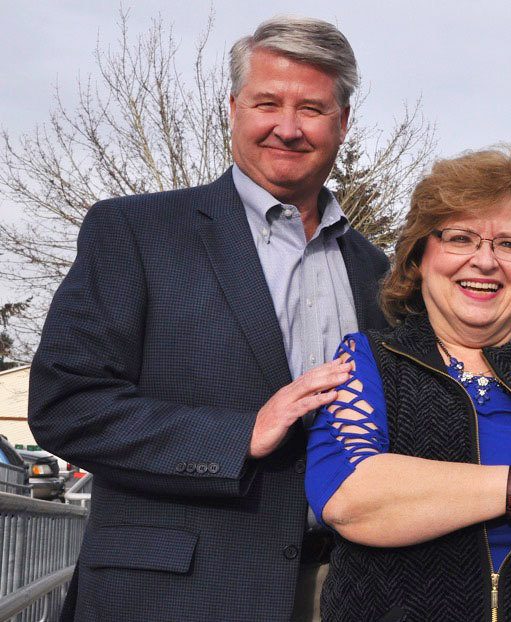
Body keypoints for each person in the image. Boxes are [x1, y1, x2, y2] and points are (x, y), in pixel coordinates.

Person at [28, 16, 388, 622]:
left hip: (345, 592)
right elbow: (67, 406)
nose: (288, 127)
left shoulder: (377, 272)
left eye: (312, 109)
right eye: (267, 102)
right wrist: (240, 434)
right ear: (232, 108)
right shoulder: (135, 232)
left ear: (343, 123)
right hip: (175, 595)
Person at [306, 148, 511, 622]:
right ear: (420, 257)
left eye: (509, 245)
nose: (485, 261)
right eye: (460, 238)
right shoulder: (370, 361)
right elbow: (349, 496)